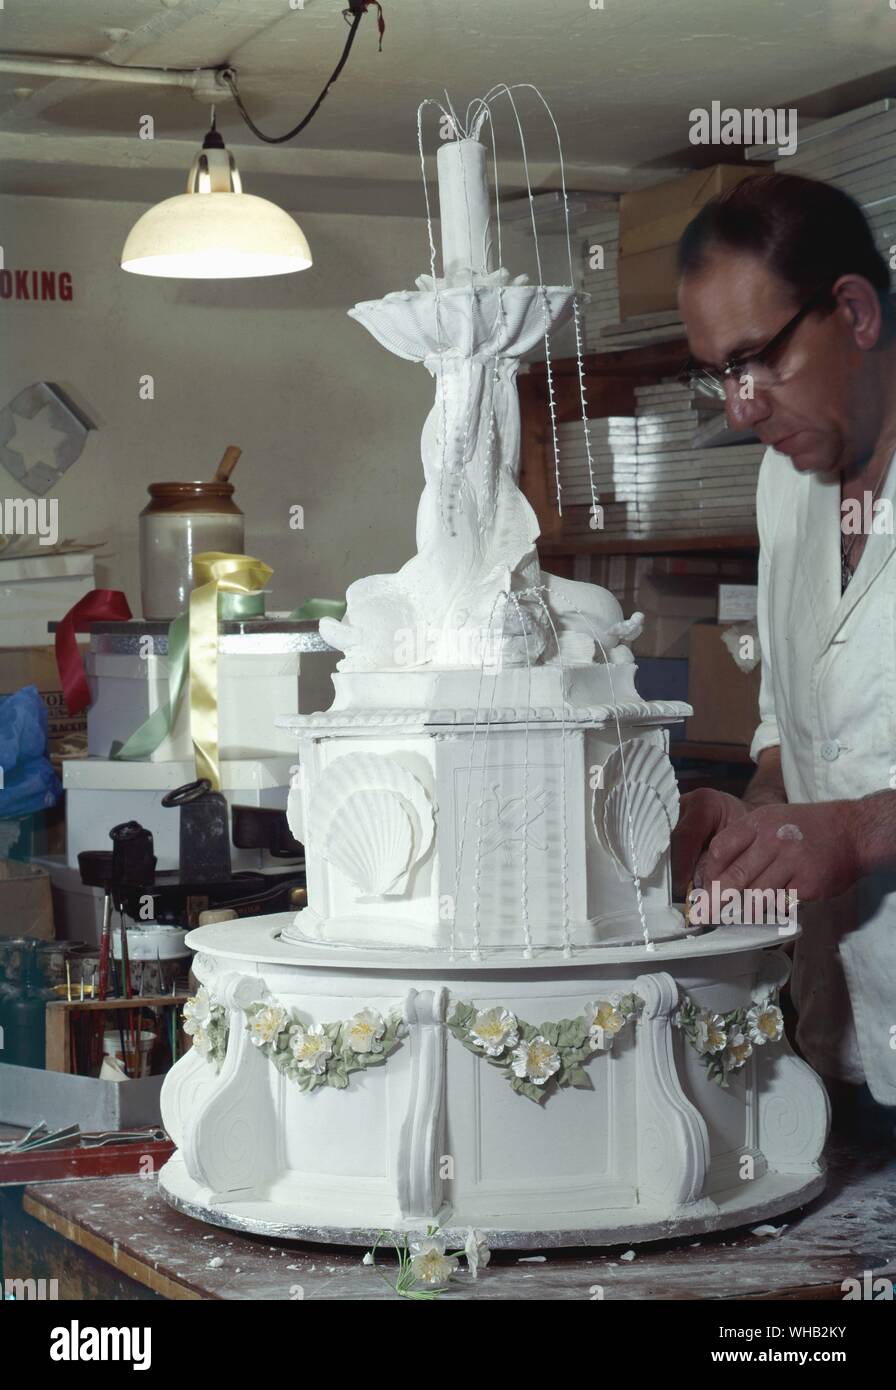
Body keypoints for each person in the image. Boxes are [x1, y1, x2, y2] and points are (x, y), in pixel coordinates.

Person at [672, 172, 896, 1119]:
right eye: (720, 374)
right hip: (841, 1037)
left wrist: (859, 830)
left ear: (852, 311)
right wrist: (756, 819)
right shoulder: (787, 485)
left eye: (757, 359)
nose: (741, 409)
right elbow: (787, 728)